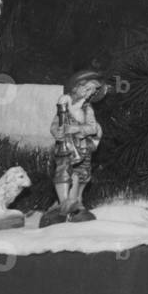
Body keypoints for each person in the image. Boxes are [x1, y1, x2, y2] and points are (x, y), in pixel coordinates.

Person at [40, 70, 109, 227]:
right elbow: (55, 125)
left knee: (82, 174)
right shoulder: (65, 106)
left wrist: (76, 129)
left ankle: (77, 201)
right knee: (64, 171)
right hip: (66, 148)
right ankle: (64, 203)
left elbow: (92, 128)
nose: (89, 93)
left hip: (83, 147)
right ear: (76, 88)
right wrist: (57, 132)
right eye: (86, 88)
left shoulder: (87, 109)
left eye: (92, 90)